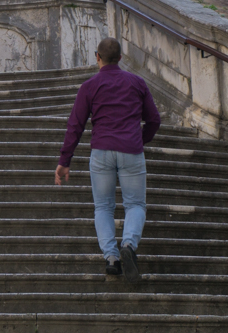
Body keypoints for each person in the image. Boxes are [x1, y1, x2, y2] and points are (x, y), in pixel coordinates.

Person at [55, 37, 160, 282]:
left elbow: (75, 125)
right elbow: (154, 120)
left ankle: (112, 258)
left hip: (101, 151)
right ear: (121, 58)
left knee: (103, 207)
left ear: (97, 57)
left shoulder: (89, 86)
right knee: (135, 204)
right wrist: (138, 139)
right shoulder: (137, 83)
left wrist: (65, 160)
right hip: (131, 151)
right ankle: (129, 246)